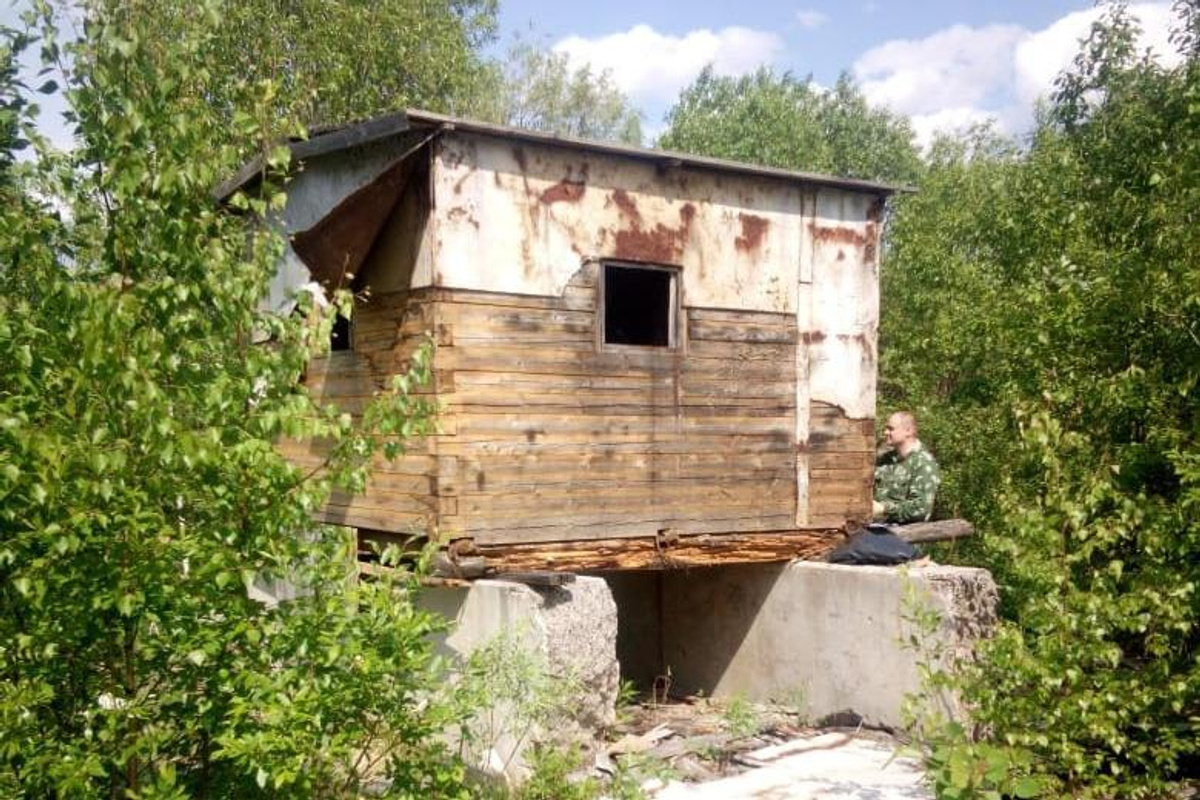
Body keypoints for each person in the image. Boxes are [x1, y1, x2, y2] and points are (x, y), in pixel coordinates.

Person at [872, 411, 940, 524]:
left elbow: (921, 508)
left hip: (906, 536)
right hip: (877, 532)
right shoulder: (886, 459)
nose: (885, 432)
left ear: (908, 431)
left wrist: (884, 509)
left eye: (891, 429)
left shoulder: (923, 463)